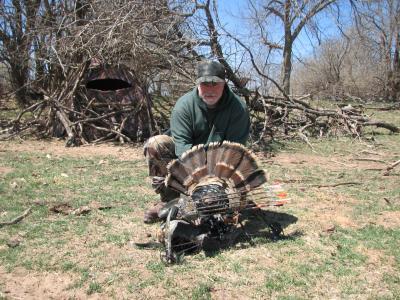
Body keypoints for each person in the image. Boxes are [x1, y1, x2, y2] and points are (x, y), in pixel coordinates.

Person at [143, 60, 250, 223]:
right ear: (197, 84)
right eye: (205, 83)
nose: (210, 89)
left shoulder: (238, 108)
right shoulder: (184, 106)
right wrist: (199, 181)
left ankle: (217, 203)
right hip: (188, 163)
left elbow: (234, 153)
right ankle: (168, 200)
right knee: (155, 144)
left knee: (228, 208)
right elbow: (183, 150)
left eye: (215, 84)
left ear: (224, 84)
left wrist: (215, 183)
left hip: (221, 164)